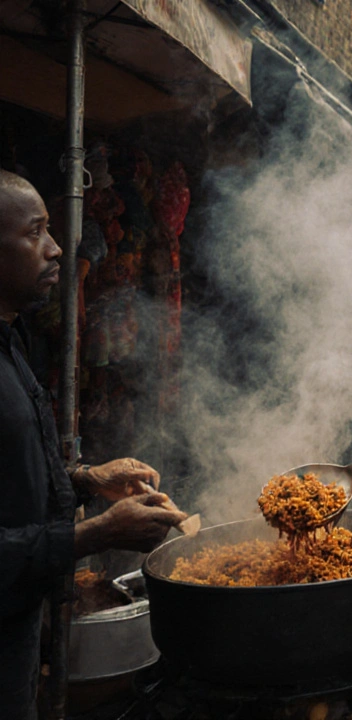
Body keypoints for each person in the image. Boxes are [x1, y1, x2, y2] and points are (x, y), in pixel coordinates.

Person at [0, 170, 187, 719]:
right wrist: (94, 535)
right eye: (35, 233)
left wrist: (85, 479)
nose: (57, 249)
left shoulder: (12, 340)